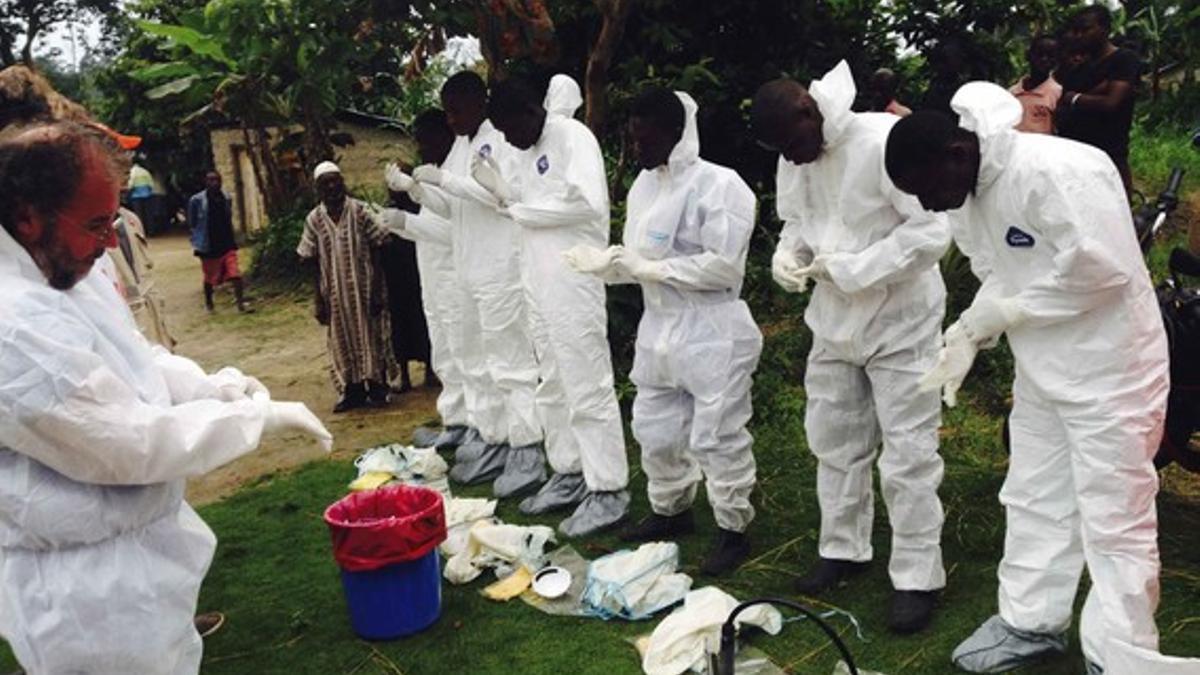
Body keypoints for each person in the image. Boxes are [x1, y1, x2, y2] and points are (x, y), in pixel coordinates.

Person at [0, 120, 332, 675]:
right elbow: (125, 440)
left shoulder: (58, 269)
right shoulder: (13, 325)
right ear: (28, 217)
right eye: (96, 224)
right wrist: (253, 420)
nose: (111, 241)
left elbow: (137, 360)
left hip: (137, 561)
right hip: (82, 594)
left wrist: (217, 388)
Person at [885, 82, 1169, 674]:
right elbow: (999, 272)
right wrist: (969, 331)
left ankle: (1120, 655)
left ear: (957, 154)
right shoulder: (966, 196)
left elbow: (1105, 271)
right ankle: (1031, 622)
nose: (932, 207)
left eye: (929, 191)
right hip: (1042, 366)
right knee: (1035, 494)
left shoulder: (1058, 172)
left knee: (1113, 513)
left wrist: (1006, 313)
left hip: (1110, 367)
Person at [751, 61, 950, 633]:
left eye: (792, 145)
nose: (789, 159)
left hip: (900, 321)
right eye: (780, 152)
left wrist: (857, 269)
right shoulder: (795, 154)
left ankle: (917, 576)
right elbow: (795, 223)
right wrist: (786, 258)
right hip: (833, 321)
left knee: (909, 453)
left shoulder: (880, 141)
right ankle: (842, 548)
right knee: (834, 441)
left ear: (808, 113)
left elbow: (933, 231)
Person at [567, 87, 763, 574]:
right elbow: (640, 259)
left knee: (717, 435)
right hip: (660, 327)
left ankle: (733, 528)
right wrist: (608, 264)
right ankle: (670, 510)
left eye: (643, 138)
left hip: (713, 328)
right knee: (654, 428)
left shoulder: (721, 185)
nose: (636, 148)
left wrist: (651, 269)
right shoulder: (643, 187)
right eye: (632, 139)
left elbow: (722, 268)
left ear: (676, 133)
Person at [481, 74, 630, 537]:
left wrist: (520, 208)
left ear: (530, 111)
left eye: (509, 129)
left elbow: (586, 205)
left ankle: (608, 489)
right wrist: (507, 195)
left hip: (573, 278)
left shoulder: (571, 137)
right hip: (537, 281)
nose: (508, 139)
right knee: (551, 381)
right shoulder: (524, 150)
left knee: (587, 383)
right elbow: (527, 203)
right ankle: (568, 472)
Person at [407, 72, 546, 498]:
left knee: (511, 362)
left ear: (477, 103)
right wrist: (417, 191)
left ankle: (527, 447)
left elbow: (499, 195)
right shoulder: (464, 145)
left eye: (456, 110)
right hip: (473, 270)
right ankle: (493, 436)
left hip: (500, 268)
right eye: (446, 111)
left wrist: (444, 181)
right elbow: (451, 207)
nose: (450, 120)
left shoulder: (497, 140)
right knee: (482, 359)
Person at [383, 110, 472, 450]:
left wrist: (405, 219)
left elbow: (452, 231)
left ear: (444, 134)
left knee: (465, 357)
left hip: (455, 277)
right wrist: (395, 220)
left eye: (425, 140)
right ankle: (454, 422)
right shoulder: (434, 172)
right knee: (445, 354)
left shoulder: (456, 172)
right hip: (433, 278)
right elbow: (428, 232)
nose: (420, 149)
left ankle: (476, 426)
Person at [297, 161, 395, 412]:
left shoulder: (360, 211)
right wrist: (318, 300)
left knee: (371, 336)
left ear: (342, 181)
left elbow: (379, 246)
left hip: (364, 289)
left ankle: (377, 387)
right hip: (334, 295)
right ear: (317, 188)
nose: (332, 186)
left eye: (335, 180)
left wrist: (375, 289)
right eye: (325, 183)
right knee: (341, 341)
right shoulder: (314, 219)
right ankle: (352, 391)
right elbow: (309, 258)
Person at [1056, 4, 1141, 195]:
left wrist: (1075, 98)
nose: (1079, 36)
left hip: (1108, 155)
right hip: (1073, 154)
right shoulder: (1078, 67)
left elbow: (1111, 103)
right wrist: (1095, 93)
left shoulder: (1124, 59)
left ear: (1105, 29)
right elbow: (1060, 104)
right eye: (1076, 31)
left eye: (1085, 29)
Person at [380, 211, 432, 393]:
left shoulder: (417, 210)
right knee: (398, 326)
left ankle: (430, 370)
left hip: (418, 275)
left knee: (423, 322)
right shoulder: (385, 213)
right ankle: (404, 375)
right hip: (394, 280)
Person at [188, 170, 252, 313]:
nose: (214, 183)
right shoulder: (197, 200)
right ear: (205, 182)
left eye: (217, 180)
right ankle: (209, 303)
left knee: (235, 274)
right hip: (208, 246)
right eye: (210, 180)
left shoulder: (226, 197)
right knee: (210, 278)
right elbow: (192, 222)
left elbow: (228, 217)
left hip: (226, 243)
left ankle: (241, 304)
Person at [1009, 34, 1062, 134]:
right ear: (1028, 56)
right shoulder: (1012, 93)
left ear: (1056, 61)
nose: (1044, 59)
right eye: (1039, 54)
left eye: (1050, 56)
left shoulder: (1057, 93)